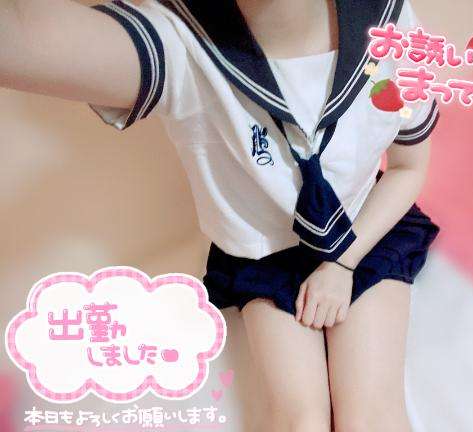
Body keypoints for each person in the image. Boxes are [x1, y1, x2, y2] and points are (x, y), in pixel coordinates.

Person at [0, 0, 440, 430]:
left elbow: (408, 167)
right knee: (300, 419)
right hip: (264, 253)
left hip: (366, 226)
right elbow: (24, 38)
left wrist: (342, 263)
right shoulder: (179, 39)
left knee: (369, 417)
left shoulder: (389, 20)